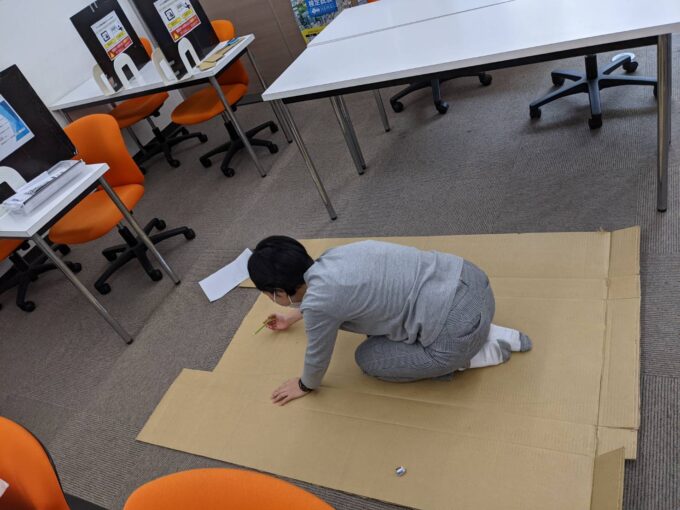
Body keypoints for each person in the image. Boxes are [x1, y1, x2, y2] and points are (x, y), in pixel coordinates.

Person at [247, 236, 532, 406]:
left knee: (368, 359)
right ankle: (486, 330)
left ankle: (471, 356)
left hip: (457, 329)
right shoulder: (334, 256)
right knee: (385, 315)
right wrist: (292, 317)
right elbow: (325, 299)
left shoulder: (319, 304)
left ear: (278, 293)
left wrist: (304, 385)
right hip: (472, 281)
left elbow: (317, 356)